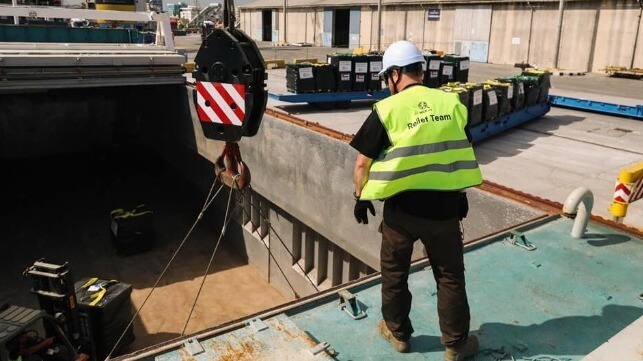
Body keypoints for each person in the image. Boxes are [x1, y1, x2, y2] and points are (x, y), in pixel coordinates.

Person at [349, 40, 483, 361]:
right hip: (444, 212)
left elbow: (362, 164)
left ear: (395, 74)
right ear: (420, 70)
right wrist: (461, 195)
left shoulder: (387, 110)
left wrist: (360, 196)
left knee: (395, 274)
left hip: (401, 213)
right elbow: (458, 156)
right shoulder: (450, 104)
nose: (387, 85)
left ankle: (398, 335)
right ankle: (455, 345)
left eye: (387, 78)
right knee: (449, 276)